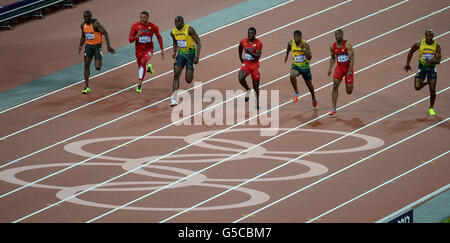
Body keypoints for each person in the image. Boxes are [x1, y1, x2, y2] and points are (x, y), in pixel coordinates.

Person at [403, 29, 441, 116]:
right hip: (422, 69)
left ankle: (431, 108)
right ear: (425, 36)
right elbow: (411, 51)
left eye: (430, 36)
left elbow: (438, 60)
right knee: (417, 87)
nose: (428, 38)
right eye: (427, 36)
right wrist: (408, 63)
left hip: (431, 69)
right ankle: (427, 82)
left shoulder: (437, 46)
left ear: (433, 36)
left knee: (432, 89)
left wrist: (431, 61)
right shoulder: (419, 44)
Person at [78, 10, 115, 94]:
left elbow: (105, 33)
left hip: (97, 46)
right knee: (86, 65)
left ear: (91, 16)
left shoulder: (96, 24)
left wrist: (108, 46)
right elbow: (83, 36)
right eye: (84, 17)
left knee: (97, 67)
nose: (86, 18)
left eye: (87, 16)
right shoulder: (82, 25)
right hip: (88, 47)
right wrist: (80, 45)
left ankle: (99, 58)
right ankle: (86, 86)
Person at [129, 11, 164, 94]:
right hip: (138, 50)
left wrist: (162, 49)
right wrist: (136, 36)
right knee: (142, 66)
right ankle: (148, 68)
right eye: (141, 17)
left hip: (149, 49)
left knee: (143, 62)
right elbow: (130, 40)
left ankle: (139, 85)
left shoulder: (153, 26)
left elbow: (159, 37)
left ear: (148, 18)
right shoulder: (135, 26)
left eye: (144, 17)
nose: (142, 19)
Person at [170, 16, 201, 107]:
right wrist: (174, 51)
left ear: (182, 22)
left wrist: (197, 56)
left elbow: (198, 42)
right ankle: (174, 99)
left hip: (190, 55)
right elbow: (175, 42)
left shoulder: (189, 29)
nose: (176, 24)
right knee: (176, 75)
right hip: (180, 55)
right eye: (175, 22)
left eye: (178, 22)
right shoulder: (173, 32)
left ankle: (192, 68)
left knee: (188, 80)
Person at [284, 30, 317, 107]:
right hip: (296, 66)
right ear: (294, 37)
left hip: (305, 67)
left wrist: (304, 49)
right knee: (292, 75)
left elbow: (309, 57)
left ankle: (313, 96)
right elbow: (288, 48)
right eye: (296, 37)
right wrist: (286, 55)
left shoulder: (305, 44)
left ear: (301, 37)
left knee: (309, 85)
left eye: (299, 37)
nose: (297, 39)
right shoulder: (291, 43)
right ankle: (296, 92)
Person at [327, 29, 354, 115]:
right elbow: (332, 58)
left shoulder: (347, 45)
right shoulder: (333, 46)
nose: (337, 37)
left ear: (342, 35)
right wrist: (330, 68)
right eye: (336, 35)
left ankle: (349, 84)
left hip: (348, 68)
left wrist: (350, 70)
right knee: (335, 85)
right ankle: (333, 108)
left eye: (339, 35)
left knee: (349, 91)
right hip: (339, 68)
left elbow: (352, 58)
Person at [238, 27, 262, 109]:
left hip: (255, 65)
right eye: (249, 33)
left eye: (252, 33)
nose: (250, 35)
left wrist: (250, 52)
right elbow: (240, 46)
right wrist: (240, 57)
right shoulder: (243, 41)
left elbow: (257, 56)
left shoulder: (258, 43)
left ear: (255, 34)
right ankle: (248, 89)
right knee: (240, 77)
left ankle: (257, 101)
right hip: (247, 64)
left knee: (256, 87)